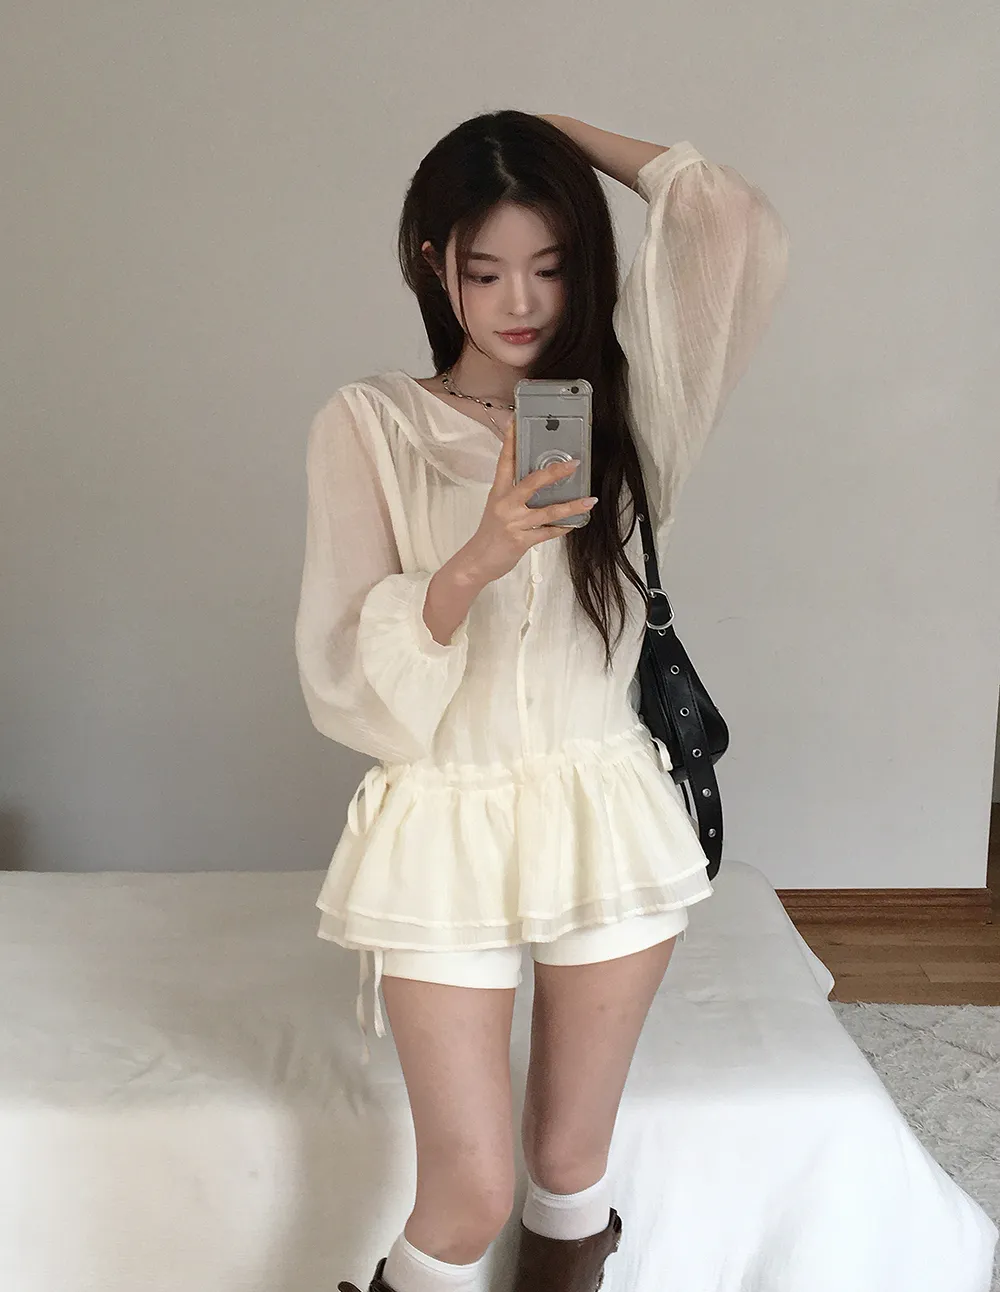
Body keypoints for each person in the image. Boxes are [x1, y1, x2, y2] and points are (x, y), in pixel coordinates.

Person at [295, 109, 790, 1292]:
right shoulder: (371, 423)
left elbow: (725, 219)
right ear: (435, 267)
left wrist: (542, 127)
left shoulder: (634, 406)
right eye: (484, 270)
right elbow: (346, 676)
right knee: (466, 1196)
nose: (519, 300)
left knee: (567, 1167)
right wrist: (477, 555)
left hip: (602, 798)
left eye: (551, 264)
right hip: (443, 815)